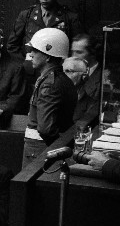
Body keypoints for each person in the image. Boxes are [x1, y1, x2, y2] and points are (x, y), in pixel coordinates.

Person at [23, 27, 78, 157]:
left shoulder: (49, 84)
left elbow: (45, 129)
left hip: (39, 148)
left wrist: (57, 149)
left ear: (47, 56)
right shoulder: (61, 79)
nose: (30, 54)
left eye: (35, 50)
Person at [7, 0, 84, 63]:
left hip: (58, 69)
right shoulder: (26, 15)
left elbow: (79, 46)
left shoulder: (69, 17)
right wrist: (24, 64)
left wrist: (67, 64)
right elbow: (12, 46)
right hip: (31, 69)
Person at [71, 33, 103, 130]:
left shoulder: (102, 78)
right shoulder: (68, 72)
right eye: (72, 52)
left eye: (79, 52)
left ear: (92, 53)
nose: (74, 56)